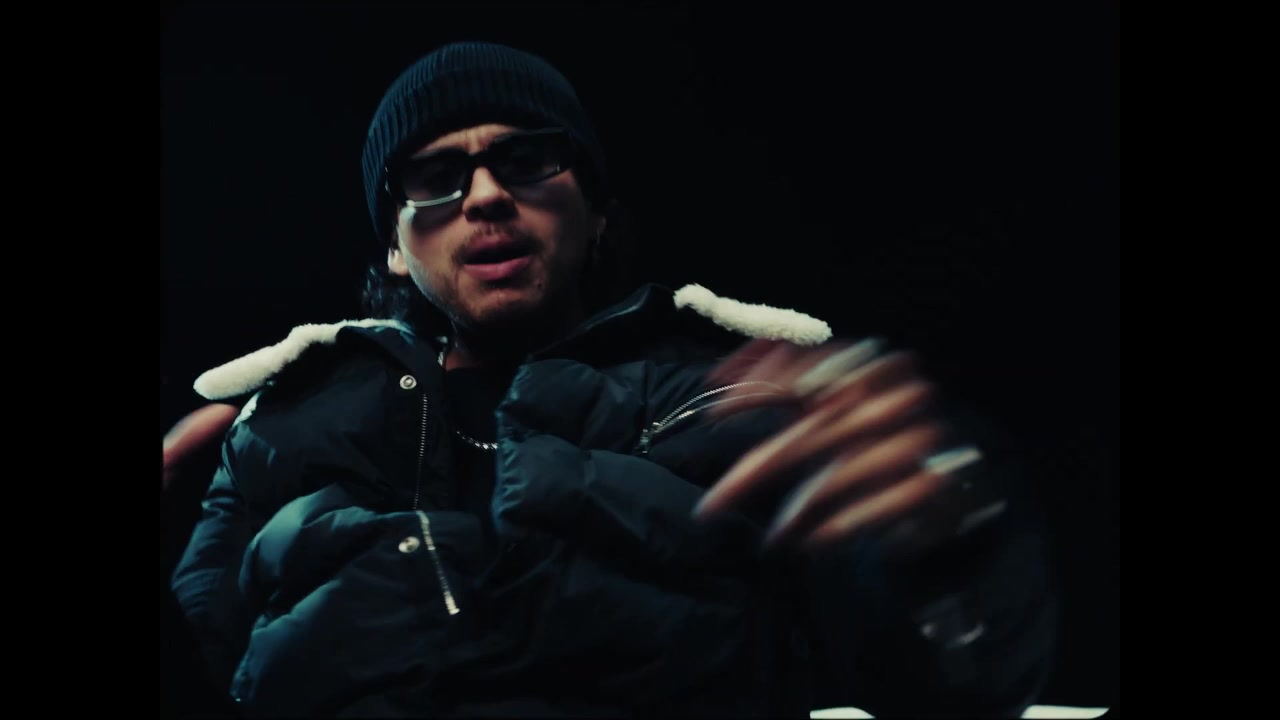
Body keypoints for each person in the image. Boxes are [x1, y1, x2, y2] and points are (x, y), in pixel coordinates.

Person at [165, 40, 1058, 718]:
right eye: (435, 177)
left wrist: (947, 537)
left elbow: (948, 686)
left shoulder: (740, 393)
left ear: (594, 214)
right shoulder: (281, 427)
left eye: (527, 160)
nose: (485, 196)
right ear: (396, 249)